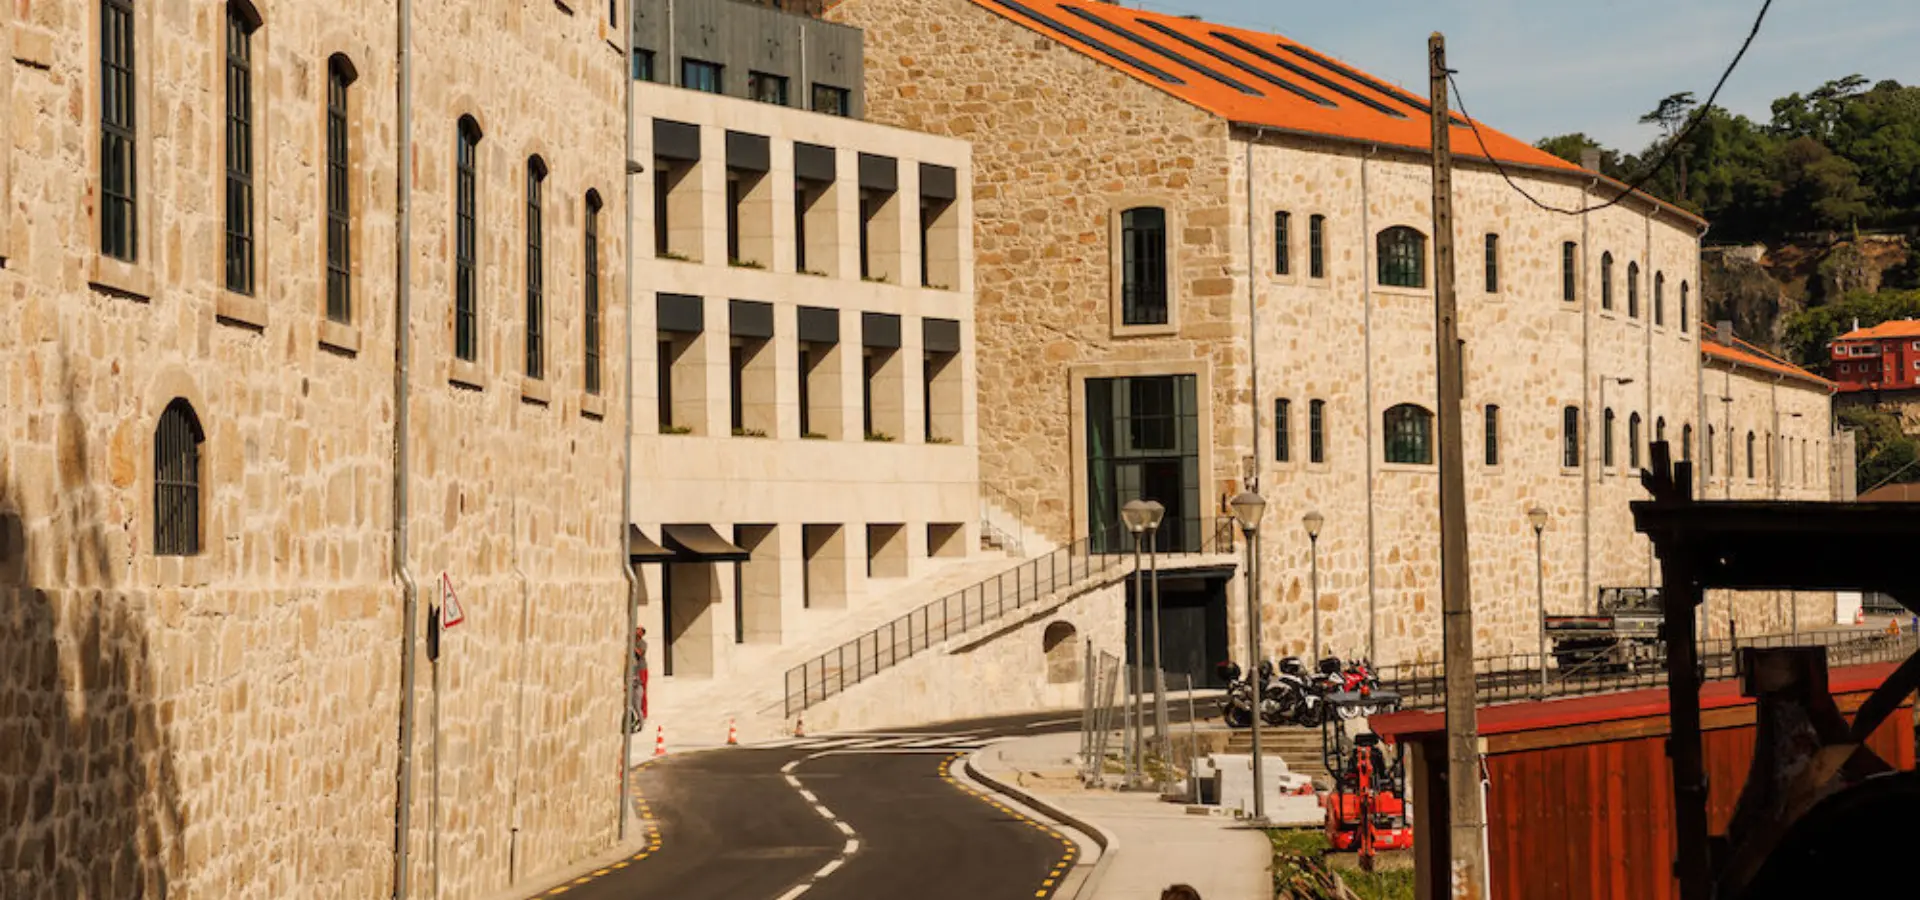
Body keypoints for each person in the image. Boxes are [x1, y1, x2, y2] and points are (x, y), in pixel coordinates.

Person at [629, 626, 649, 733]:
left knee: (642, 691)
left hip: (642, 669)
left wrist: (632, 646)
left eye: (638, 630)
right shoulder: (634, 641)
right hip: (636, 669)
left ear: (641, 633)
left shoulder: (643, 643)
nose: (636, 630)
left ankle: (644, 713)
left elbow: (639, 653)